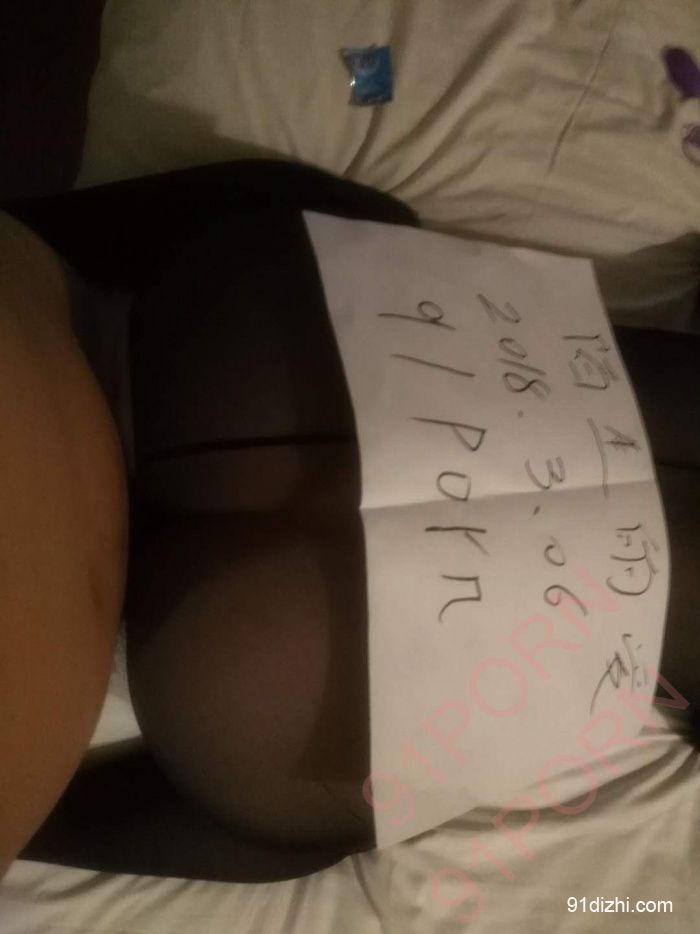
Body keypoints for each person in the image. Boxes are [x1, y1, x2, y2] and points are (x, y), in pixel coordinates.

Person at [0, 160, 698, 883]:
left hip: (269, 323)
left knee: (344, 215)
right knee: (312, 827)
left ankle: (34, 240)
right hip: (278, 681)